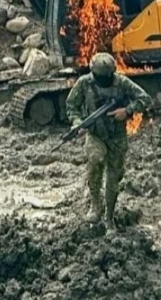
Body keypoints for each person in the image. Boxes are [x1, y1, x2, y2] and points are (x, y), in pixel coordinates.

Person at [65, 52, 152, 228]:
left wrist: (127, 111)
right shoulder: (84, 83)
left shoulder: (121, 82)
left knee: (114, 178)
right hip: (95, 134)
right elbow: (71, 106)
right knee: (95, 161)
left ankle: (109, 217)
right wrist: (77, 123)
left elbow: (145, 99)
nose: (104, 80)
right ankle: (96, 206)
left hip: (117, 137)